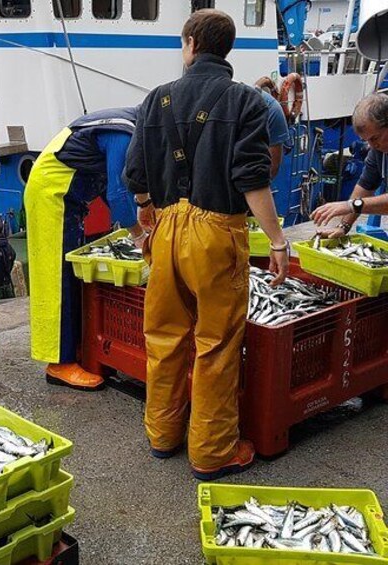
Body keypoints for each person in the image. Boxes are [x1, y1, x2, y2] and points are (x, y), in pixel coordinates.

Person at [124, 9, 289, 480]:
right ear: (226, 47)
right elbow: (253, 179)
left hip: (166, 227)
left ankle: (162, 435)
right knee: (215, 344)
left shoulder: (156, 98)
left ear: (191, 43)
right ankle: (212, 452)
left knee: (164, 335)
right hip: (217, 232)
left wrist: (145, 208)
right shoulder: (247, 102)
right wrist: (277, 241)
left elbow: (135, 176)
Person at [25, 107, 143, 391]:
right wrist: (139, 236)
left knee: (68, 275)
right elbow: (117, 191)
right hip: (51, 196)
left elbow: (111, 185)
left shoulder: (123, 124)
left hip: (68, 199)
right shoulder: (124, 132)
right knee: (57, 279)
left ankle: (72, 350)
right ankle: (59, 364)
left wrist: (134, 215)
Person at [312, 92, 388, 234]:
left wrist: (351, 205)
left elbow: (357, 203)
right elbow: (365, 185)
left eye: (375, 138)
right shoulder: (379, 150)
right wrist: (343, 226)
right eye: (367, 140)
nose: (371, 145)